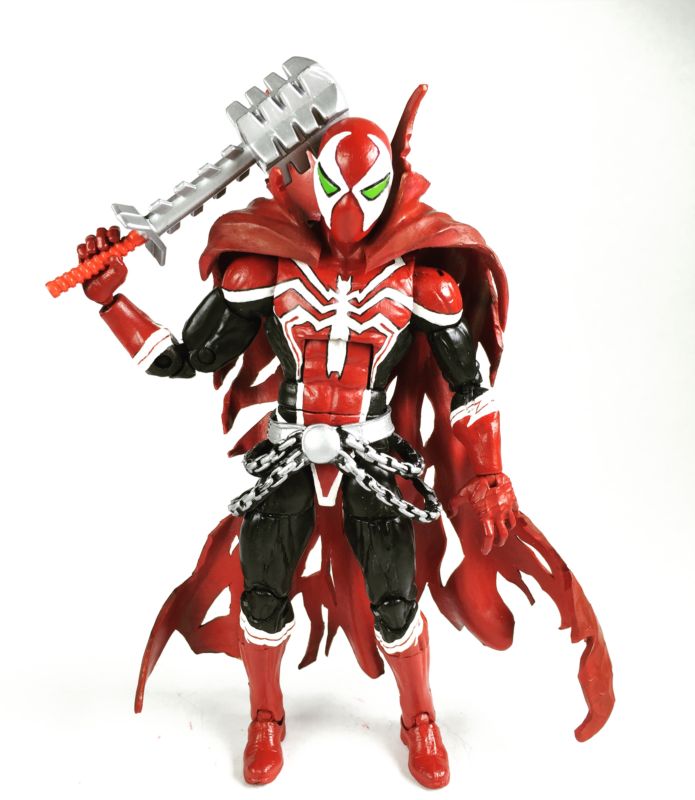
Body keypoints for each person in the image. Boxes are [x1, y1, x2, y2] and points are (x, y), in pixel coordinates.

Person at [77, 85, 613, 789]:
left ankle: (419, 719)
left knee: (396, 602)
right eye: (334, 188)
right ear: (309, 183)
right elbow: (184, 358)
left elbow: (469, 387)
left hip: (375, 453)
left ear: (392, 188)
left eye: (368, 190)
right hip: (289, 449)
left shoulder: (423, 285)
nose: (350, 210)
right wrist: (112, 300)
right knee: (262, 593)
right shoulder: (263, 269)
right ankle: (264, 717)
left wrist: (488, 473)